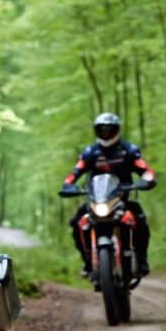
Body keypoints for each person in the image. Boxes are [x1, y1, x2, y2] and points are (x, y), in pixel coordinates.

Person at [58, 113, 156, 278]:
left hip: (121, 199)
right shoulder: (90, 152)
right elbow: (74, 173)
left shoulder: (129, 150)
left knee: (140, 219)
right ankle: (88, 262)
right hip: (95, 200)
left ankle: (142, 259)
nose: (106, 133)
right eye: (102, 130)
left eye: (109, 130)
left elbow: (146, 170)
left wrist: (147, 180)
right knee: (77, 223)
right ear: (96, 131)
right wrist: (68, 185)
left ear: (116, 130)